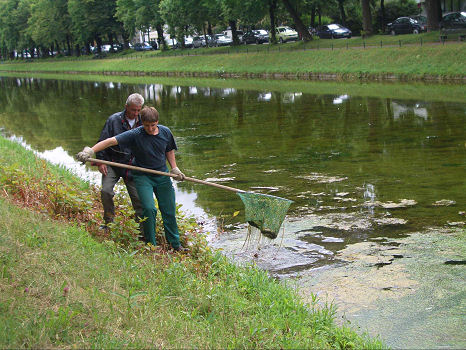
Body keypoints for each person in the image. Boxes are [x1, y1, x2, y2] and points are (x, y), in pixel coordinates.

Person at [77, 106, 187, 251]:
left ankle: (175, 244)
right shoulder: (136, 134)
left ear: (157, 122)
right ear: (142, 123)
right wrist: (90, 151)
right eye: (146, 125)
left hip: (162, 175)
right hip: (143, 177)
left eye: (153, 125)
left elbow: (169, 150)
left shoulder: (165, 131)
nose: (149, 128)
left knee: (169, 209)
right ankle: (151, 244)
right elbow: (110, 141)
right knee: (148, 208)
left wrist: (174, 168)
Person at [94, 93, 145, 232]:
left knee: (139, 200)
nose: (136, 113)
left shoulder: (144, 121)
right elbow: (102, 142)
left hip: (133, 166)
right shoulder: (113, 120)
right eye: (133, 110)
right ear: (126, 107)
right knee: (106, 191)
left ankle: (140, 229)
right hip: (113, 162)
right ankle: (108, 223)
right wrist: (101, 162)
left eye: (138, 110)